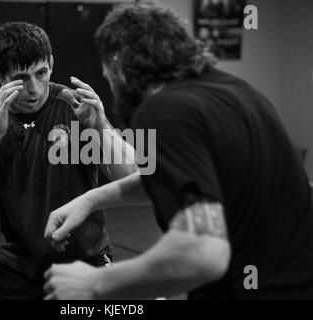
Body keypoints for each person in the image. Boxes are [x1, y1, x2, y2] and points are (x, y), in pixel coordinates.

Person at [43, 2, 313, 300]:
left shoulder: (166, 110)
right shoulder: (240, 92)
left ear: (118, 65)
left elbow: (202, 254)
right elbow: (186, 179)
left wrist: (95, 283)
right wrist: (91, 200)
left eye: (107, 74)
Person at [0, 22, 136, 299]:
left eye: (41, 73)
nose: (34, 89)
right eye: (22, 78)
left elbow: (132, 179)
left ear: (51, 63)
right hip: (18, 263)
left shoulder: (76, 107)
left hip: (85, 260)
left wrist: (101, 127)